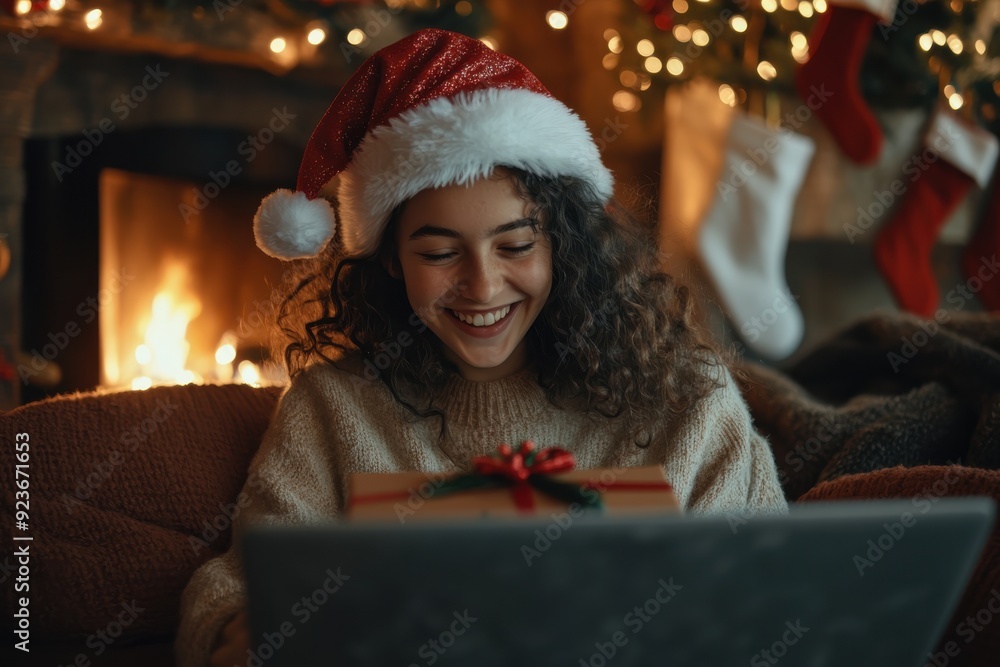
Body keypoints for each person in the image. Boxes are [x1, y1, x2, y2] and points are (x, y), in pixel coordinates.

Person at [176, 28, 788, 667]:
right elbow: (240, 582)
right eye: (439, 254)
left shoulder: (688, 399)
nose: (482, 286)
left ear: (564, 243)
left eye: (517, 246)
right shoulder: (332, 409)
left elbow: (772, 593)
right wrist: (236, 636)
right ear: (388, 260)